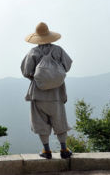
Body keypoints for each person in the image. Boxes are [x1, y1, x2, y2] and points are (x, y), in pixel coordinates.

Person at [21, 22, 73, 159]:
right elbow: (67, 66)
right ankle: (64, 149)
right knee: (60, 121)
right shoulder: (58, 50)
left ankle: (46, 151)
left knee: (40, 123)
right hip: (57, 94)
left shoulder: (33, 52)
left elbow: (26, 72)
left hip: (38, 95)